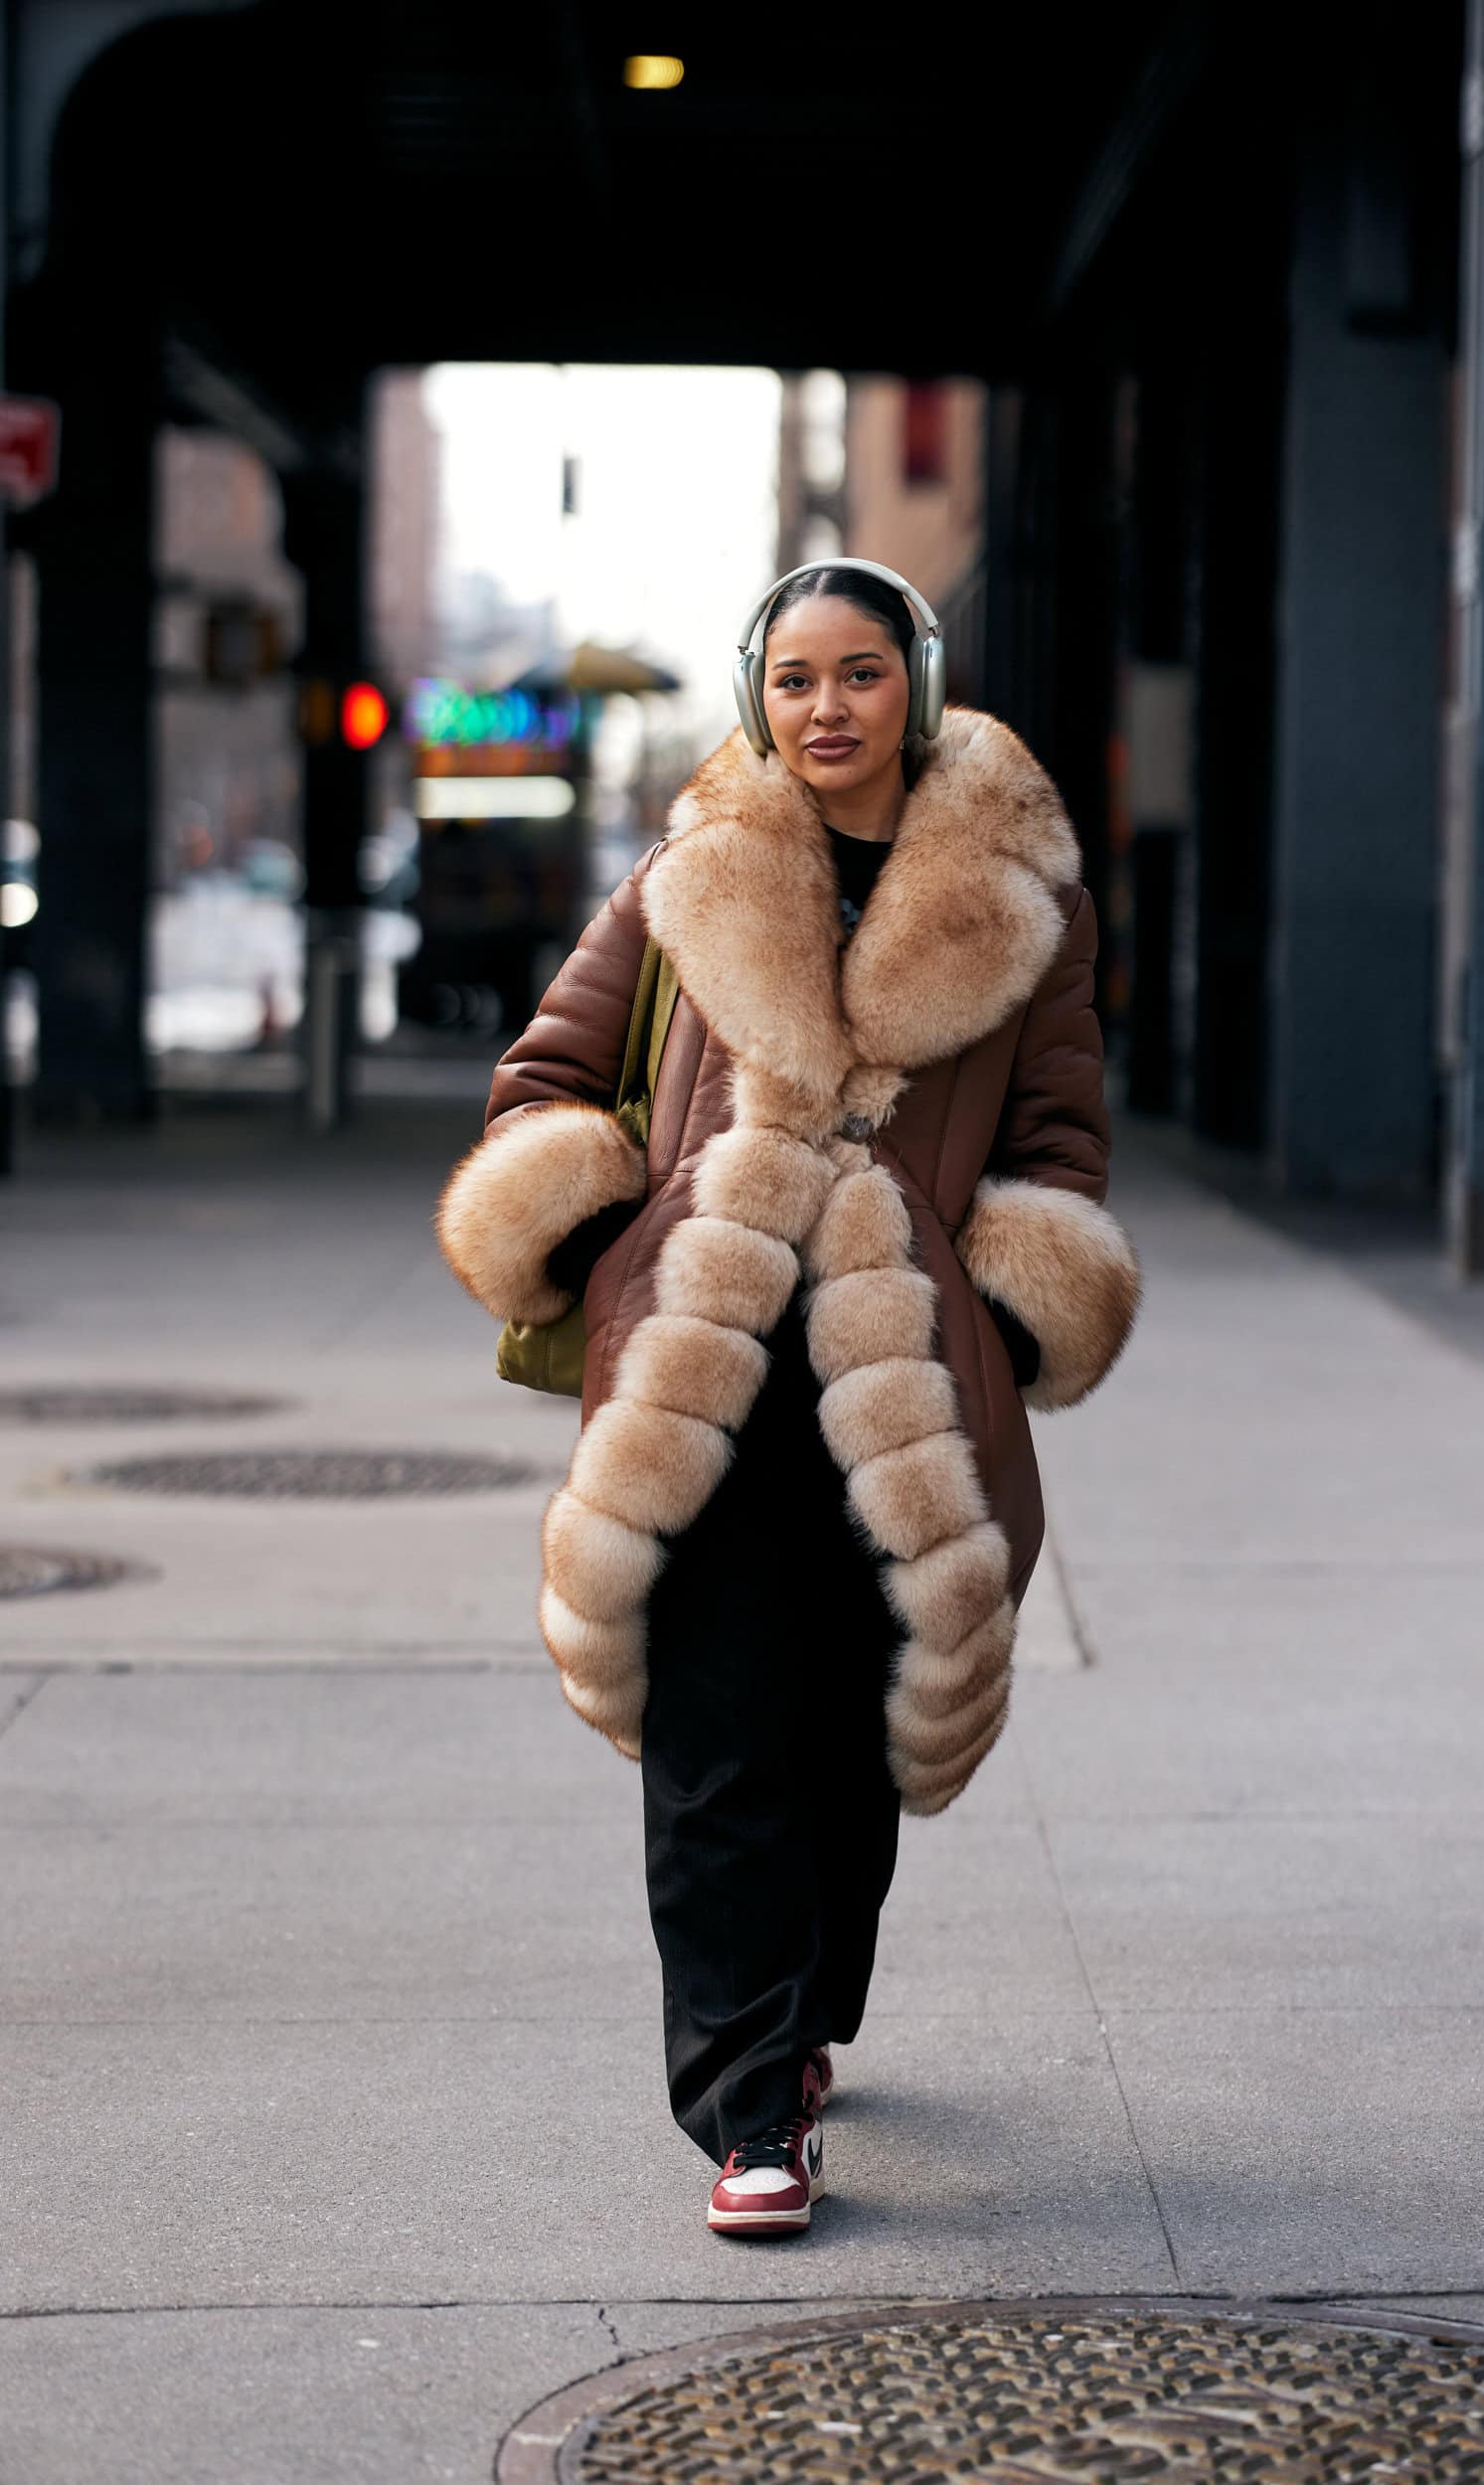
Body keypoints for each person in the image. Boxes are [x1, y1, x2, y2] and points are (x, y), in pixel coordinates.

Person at [436, 559, 1140, 2236]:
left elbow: (1057, 1140)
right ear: (761, 692)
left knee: (846, 1736)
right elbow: (542, 1077)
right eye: (799, 677)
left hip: (905, 1387)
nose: (828, 708)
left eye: (863, 675)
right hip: (707, 1362)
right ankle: (749, 2108)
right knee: (715, 1729)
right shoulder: (691, 874)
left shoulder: (1019, 894)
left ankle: (807, 2019)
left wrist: (1012, 1300)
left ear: (921, 686)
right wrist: (621, 1241)